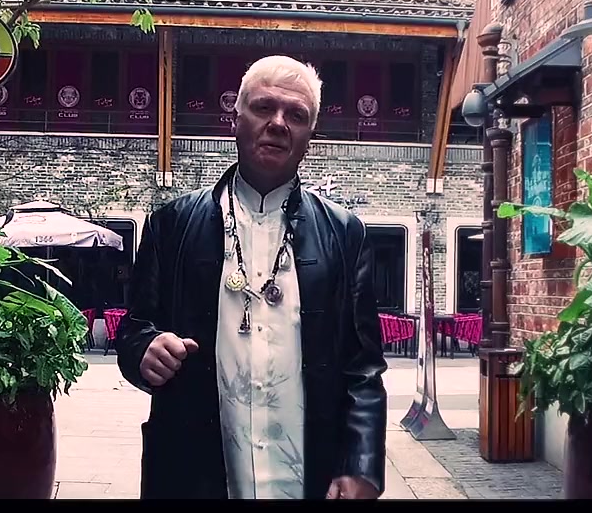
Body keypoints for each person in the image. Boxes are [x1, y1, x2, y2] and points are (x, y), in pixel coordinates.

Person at [116, 55, 389, 500]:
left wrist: (362, 465)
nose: (278, 123)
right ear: (236, 119)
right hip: (196, 472)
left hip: (309, 474)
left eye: (296, 115)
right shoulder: (173, 224)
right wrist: (145, 349)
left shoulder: (344, 234)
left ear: (310, 135)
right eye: (264, 107)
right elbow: (133, 328)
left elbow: (363, 366)